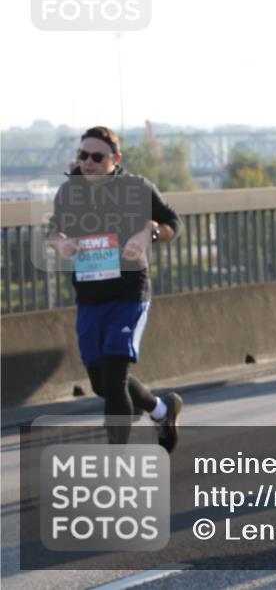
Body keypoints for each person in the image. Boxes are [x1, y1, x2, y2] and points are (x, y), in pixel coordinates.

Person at [46, 126, 183, 449]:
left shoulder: (136, 188)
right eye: (83, 155)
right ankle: (162, 410)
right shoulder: (69, 192)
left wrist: (146, 235)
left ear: (115, 159)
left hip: (129, 295)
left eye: (96, 156)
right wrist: (59, 243)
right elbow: (54, 231)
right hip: (90, 299)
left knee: (114, 375)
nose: (87, 162)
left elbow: (172, 225)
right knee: (101, 383)